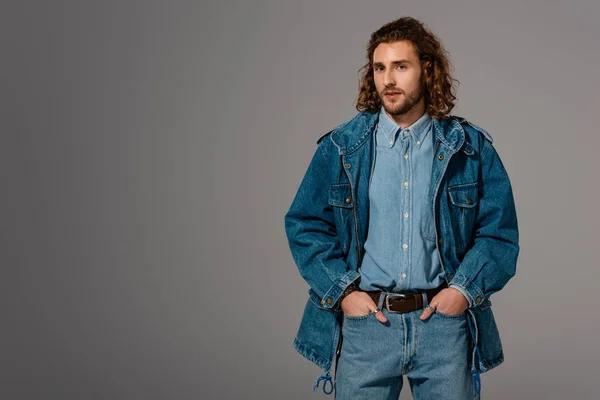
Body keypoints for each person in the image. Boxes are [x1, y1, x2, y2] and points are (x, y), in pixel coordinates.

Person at [284, 16, 519, 399]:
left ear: (427, 70)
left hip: (443, 328)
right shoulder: (342, 148)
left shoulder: (469, 149)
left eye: (400, 66)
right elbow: (305, 225)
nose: (387, 79)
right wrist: (344, 294)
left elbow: (499, 235)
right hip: (368, 328)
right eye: (379, 67)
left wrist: (462, 291)